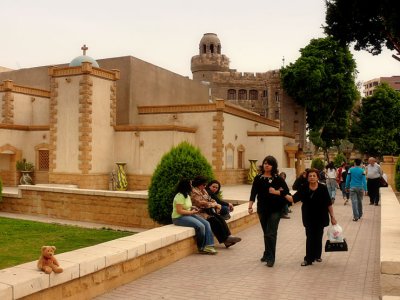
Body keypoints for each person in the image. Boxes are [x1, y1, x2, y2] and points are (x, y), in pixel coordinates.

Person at [248, 155, 293, 267]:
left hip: (275, 209)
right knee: (266, 233)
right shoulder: (258, 178)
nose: (266, 165)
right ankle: (267, 252)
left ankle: (271, 258)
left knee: (271, 233)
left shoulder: (278, 178)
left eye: (269, 163)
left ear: (273, 166)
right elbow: (253, 192)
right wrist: (250, 206)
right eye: (265, 163)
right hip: (262, 209)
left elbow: (286, 192)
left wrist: (276, 192)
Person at [289, 168, 337, 266]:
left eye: (314, 176)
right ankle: (308, 259)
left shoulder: (323, 188)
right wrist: (281, 193)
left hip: (321, 216)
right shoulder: (304, 187)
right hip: (308, 216)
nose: (312, 177)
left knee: (318, 236)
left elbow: (328, 204)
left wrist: (332, 217)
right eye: (310, 176)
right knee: (310, 236)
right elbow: (293, 199)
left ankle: (317, 255)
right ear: (307, 178)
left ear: (317, 177)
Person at [191, 176, 242, 248]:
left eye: (205, 185)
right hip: (199, 212)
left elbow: (210, 199)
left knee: (220, 218)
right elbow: (201, 203)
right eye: (203, 185)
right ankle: (225, 240)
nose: (205, 186)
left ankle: (228, 236)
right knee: (214, 221)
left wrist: (215, 203)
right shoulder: (194, 192)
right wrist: (214, 204)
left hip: (207, 210)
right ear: (199, 184)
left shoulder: (203, 190)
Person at [171, 178, 217, 254]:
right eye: (190, 184)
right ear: (186, 185)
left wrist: (192, 207)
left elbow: (186, 206)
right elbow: (179, 211)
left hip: (188, 214)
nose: (191, 186)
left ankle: (209, 246)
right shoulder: (180, 196)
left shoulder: (187, 195)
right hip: (179, 218)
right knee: (200, 226)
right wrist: (191, 212)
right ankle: (201, 247)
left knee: (206, 223)